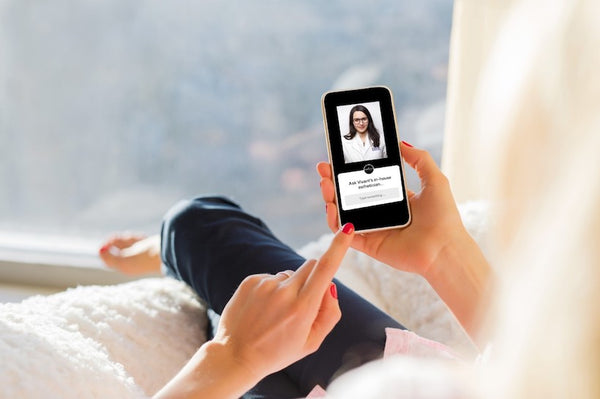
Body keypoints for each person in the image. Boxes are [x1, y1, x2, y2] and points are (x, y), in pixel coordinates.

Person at [100, 142, 491, 398]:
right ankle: (190, 276)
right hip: (410, 386)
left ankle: (178, 264)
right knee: (235, 287)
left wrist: (233, 356)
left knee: (195, 224)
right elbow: (544, 374)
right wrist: (442, 253)